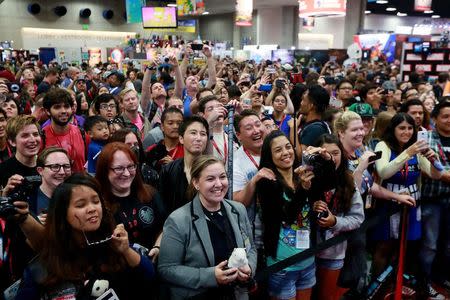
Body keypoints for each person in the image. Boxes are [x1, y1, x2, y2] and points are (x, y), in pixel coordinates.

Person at [15, 174, 155, 299]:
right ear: (63, 213)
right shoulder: (45, 265)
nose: (92, 209)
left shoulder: (114, 245)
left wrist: (126, 251)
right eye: (81, 205)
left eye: (95, 201)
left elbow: (150, 277)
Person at [158, 155, 257, 299]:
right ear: (196, 183)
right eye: (210, 179)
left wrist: (249, 269)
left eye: (222, 177)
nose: (219, 184)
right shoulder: (178, 220)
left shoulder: (238, 210)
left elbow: (251, 249)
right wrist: (210, 276)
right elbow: (166, 269)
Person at [372, 113, 442, 282]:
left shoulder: (416, 148)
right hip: (388, 203)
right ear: (393, 129)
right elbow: (384, 172)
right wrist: (408, 153)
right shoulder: (383, 145)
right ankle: (375, 288)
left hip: (412, 204)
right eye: (402, 128)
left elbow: (436, 175)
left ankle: (394, 286)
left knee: (403, 247)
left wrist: (434, 159)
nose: (407, 132)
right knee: (384, 246)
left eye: (410, 128)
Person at [256, 131, 321, 300]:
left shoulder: (303, 175)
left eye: (288, 147)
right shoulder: (267, 183)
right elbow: (287, 216)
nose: (285, 152)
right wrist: (303, 191)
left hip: (307, 260)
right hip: (283, 266)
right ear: (269, 156)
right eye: (278, 150)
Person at [314, 134, 364, 300]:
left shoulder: (347, 181)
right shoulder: (307, 178)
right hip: (305, 253)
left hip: (334, 252)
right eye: (325, 153)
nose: (330, 158)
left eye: (335, 153)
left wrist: (335, 221)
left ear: (342, 155)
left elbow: (357, 218)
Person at [95, 142, 165, 257]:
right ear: (105, 170)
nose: (127, 173)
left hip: (153, 263)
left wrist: (157, 247)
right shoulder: (98, 203)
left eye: (131, 166)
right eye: (119, 168)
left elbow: (166, 226)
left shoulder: (150, 193)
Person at [419, 100, 450, 298]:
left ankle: (441, 277)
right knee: (429, 244)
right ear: (435, 118)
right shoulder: (427, 139)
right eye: (445, 116)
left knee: (448, 245)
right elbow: (430, 170)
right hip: (432, 199)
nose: (449, 120)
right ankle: (423, 281)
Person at [159, 115, 209, 214]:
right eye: (193, 133)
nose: (198, 138)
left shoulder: (214, 169)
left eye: (203, 134)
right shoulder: (168, 170)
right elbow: (163, 207)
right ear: (181, 138)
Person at [41, 88, 86, 173]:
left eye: (66, 106)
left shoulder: (82, 133)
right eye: (57, 107)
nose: (63, 111)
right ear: (47, 111)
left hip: (78, 184)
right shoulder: (41, 136)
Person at [33, 147, 72, 222]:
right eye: (55, 167)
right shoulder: (29, 199)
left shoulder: (76, 196)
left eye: (66, 166)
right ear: (40, 171)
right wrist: (33, 224)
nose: (62, 172)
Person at [145, 107, 184, 172]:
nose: (175, 126)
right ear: (162, 127)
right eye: (170, 123)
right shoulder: (152, 150)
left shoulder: (188, 150)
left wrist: (174, 167)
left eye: (179, 123)